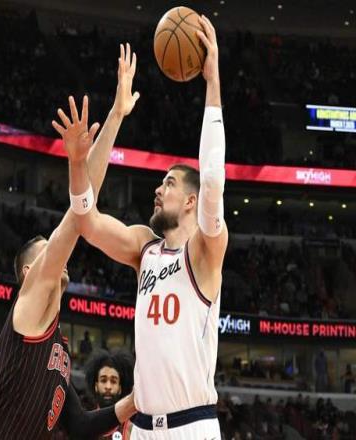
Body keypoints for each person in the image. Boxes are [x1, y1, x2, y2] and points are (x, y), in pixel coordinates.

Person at [64, 17, 227, 439]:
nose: (158, 189)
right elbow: (85, 217)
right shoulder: (145, 248)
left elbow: (212, 179)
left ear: (190, 201)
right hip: (141, 428)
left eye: (169, 183)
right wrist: (114, 117)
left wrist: (212, 82)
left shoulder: (205, 251)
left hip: (192, 426)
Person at [0, 43, 140, 439]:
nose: (56, 249)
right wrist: (81, 158)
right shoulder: (30, 302)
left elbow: (80, 426)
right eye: (47, 247)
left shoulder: (58, 349)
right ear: (29, 271)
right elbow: (77, 218)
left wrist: (138, 398)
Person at [85, 349, 135, 439]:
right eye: (103, 380)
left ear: (120, 388)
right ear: (96, 386)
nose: (108, 387)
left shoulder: (131, 429)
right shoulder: (84, 424)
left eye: (113, 381)